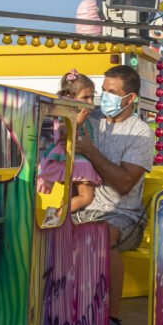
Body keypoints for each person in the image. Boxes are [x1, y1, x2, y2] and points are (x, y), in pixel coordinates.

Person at [73, 65, 155, 325]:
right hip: (85, 206)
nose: (103, 97)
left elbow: (123, 184)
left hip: (124, 214)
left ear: (129, 98)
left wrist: (90, 151)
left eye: (112, 92)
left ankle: (113, 320)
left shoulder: (140, 133)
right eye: (103, 90)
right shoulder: (91, 119)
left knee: (102, 234)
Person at [38, 71, 102, 217]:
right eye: (85, 97)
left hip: (76, 157)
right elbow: (62, 134)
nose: (91, 102)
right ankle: (55, 216)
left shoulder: (85, 117)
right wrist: (78, 122)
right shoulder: (67, 116)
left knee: (71, 195)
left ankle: (60, 218)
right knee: (86, 197)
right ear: (69, 98)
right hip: (76, 158)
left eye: (92, 97)